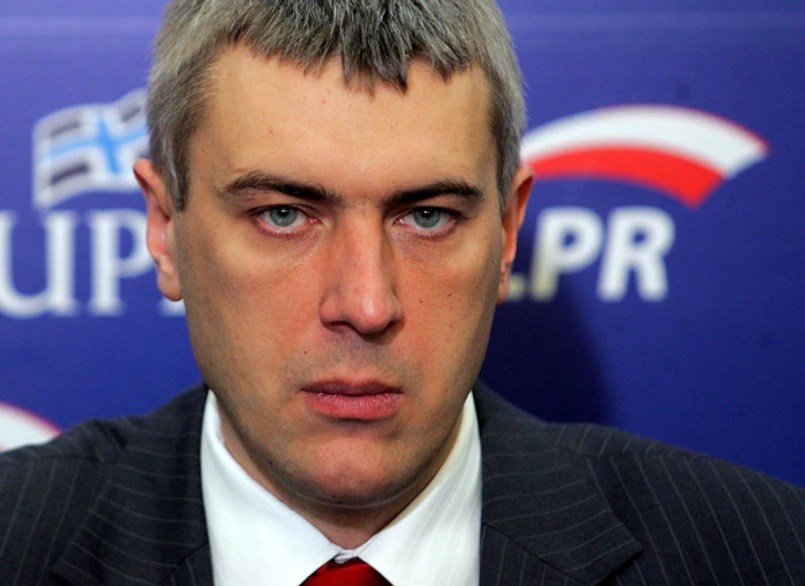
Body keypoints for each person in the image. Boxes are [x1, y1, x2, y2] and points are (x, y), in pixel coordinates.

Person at [1, 1, 803, 584]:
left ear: (507, 232)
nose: (366, 304)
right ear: (164, 227)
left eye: (427, 216)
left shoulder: (762, 553)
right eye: (283, 214)